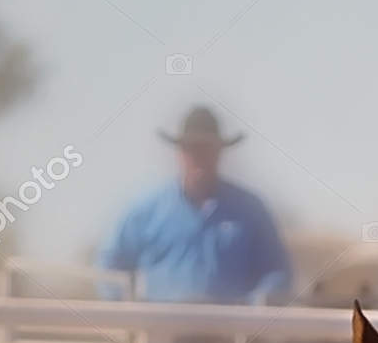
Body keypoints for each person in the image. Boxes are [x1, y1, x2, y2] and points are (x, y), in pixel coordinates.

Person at [98, 106, 292, 304]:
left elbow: (277, 273)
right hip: (160, 328)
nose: (200, 158)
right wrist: (130, 310)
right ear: (179, 153)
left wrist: (253, 309)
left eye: (207, 149)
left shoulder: (251, 210)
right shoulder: (146, 211)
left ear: (219, 152)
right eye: (193, 149)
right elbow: (111, 265)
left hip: (231, 329)